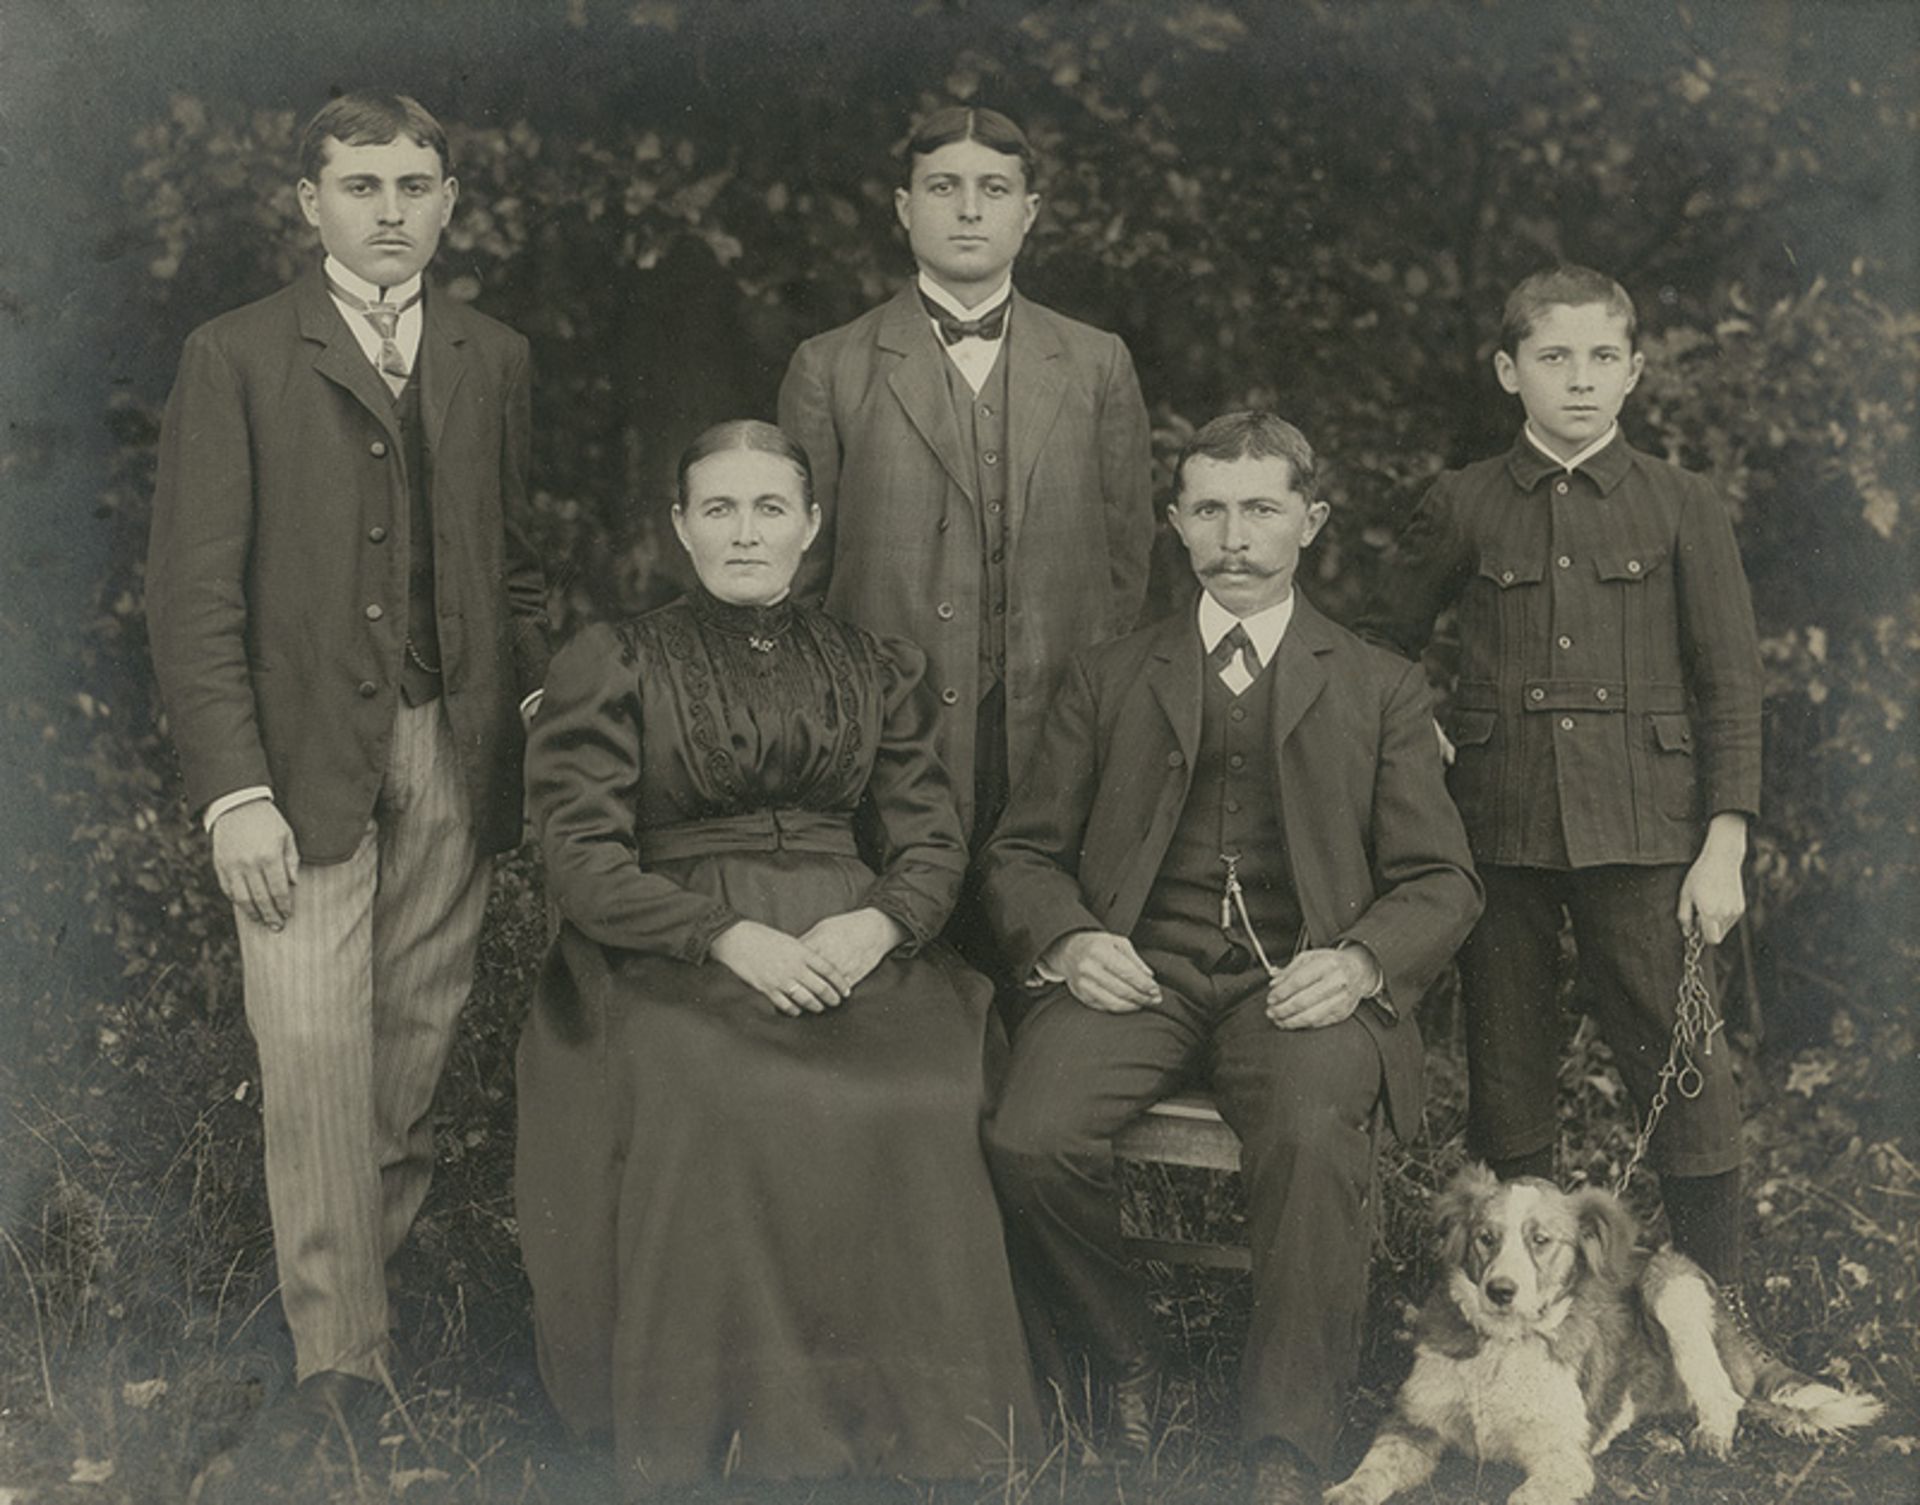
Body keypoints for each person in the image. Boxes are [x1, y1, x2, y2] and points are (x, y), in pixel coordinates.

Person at [515, 420, 1041, 1494]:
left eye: (768, 509)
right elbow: (577, 854)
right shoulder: (615, 659)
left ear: (809, 526)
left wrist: (881, 924)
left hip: (849, 936)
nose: (743, 532)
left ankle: (930, 1433)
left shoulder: (869, 662)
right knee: (722, 1086)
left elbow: (932, 839)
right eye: (717, 508)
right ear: (679, 527)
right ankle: (741, 1434)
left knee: (926, 1086)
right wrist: (724, 935)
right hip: (665, 950)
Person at [145, 92, 550, 1487]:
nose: (392, 208)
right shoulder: (239, 355)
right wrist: (231, 793)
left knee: (407, 1063)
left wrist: (524, 706)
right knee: (313, 1061)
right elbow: (192, 601)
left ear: (450, 201)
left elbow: (512, 563)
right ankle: (343, 1382)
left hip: (452, 749)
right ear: (307, 202)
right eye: (362, 182)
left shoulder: (493, 357)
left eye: (417, 182)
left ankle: (331, 1333)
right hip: (302, 762)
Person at [979, 412, 1483, 1503]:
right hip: (1138, 975)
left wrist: (1356, 963)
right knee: (1028, 1135)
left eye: (1261, 508)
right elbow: (1020, 852)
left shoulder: (1378, 683)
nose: (1235, 535)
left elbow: (1444, 881)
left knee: (1308, 1135)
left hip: (1300, 986)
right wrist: (1069, 938)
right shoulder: (1112, 673)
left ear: (1312, 520)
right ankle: (1130, 1356)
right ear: (1174, 523)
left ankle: (1283, 1444)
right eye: (1208, 508)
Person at [1360, 265, 1763, 1300]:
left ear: (1633, 371)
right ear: (1509, 370)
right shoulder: (1463, 502)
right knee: (1507, 1079)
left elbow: (1728, 684)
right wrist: (1421, 740)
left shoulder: (1682, 503)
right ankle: (1521, 1308)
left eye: (1600, 358)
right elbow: (1375, 652)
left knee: (1690, 1071)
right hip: (1499, 832)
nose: (1578, 380)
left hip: (1648, 836)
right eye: (1552, 357)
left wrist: (1723, 843)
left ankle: (1719, 1316)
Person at [777, 105, 1153, 850]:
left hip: (1055, 732)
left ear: (1030, 212)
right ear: (904, 208)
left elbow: (1124, 563)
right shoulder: (830, 366)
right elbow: (801, 579)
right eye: (944, 188)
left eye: (995, 189)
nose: (971, 210)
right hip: (891, 740)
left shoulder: (1097, 362)